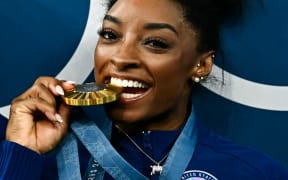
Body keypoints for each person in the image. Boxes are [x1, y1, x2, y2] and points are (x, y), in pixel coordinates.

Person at [1, 0, 288, 179]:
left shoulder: (254, 172)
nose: (121, 58)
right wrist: (23, 152)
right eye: (110, 35)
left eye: (155, 43)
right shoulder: (39, 163)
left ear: (201, 65)